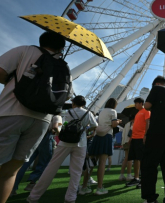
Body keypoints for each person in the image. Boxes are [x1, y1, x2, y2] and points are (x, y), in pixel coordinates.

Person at [0, 31, 67, 203]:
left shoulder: (25, 50)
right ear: (62, 47)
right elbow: (64, 96)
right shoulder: (63, 66)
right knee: (10, 172)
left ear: (41, 40)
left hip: (11, 112)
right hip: (41, 121)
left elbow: (1, 70)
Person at [27, 95, 97, 203]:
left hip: (65, 143)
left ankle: (33, 197)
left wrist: (61, 134)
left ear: (73, 103)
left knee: (51, 168)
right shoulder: (88, 113)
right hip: (81, 143)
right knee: (76, 172)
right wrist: (85, 131)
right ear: (84, 104)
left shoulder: (67, 112)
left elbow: (60, 126)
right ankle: (70, 199)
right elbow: (94, 125)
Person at [142, 76, 165, 203]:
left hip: (157, 132)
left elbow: (147, 106)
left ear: (157, 83)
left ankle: (150, 198)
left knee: (149, 166)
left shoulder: (156, 89)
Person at [11, 114, 62, 196]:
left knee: (24, 164)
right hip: (47, 138)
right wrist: (60, 134)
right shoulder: (57, 116)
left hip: (35, 137)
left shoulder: (43, 114)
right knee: (43, 162)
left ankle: (13, 188)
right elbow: (55, 127)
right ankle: (32, 182)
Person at [88, 98, 121, 195]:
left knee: (92, 161)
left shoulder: (102, 111)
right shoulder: (113, 111)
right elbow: (114, 125)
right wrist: (118, 121)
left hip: (97, 136)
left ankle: (85, 185)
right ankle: (99, 187)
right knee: (102, 162)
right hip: (106, 136)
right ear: (115, 104)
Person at [126, 97, 150, 189]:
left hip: (141, 138)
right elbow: (135, 126)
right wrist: (131, 137)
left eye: (136, 103)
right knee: (135, 158)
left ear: (141, 103)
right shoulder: (137, 113)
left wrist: (146, 135)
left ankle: (144, 180)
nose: (135, 105)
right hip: (135, 138)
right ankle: (136, 178)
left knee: (142, 159)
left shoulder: (146, 111)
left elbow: (148, 123)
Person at [118, 115, 135, 181]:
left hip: (124, 142)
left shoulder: (126, 124)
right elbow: (132, 132)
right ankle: (129, 175)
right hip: (129, 142)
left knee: (126, 158)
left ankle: (121, 175)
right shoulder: (132, 123)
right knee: (130, 158)